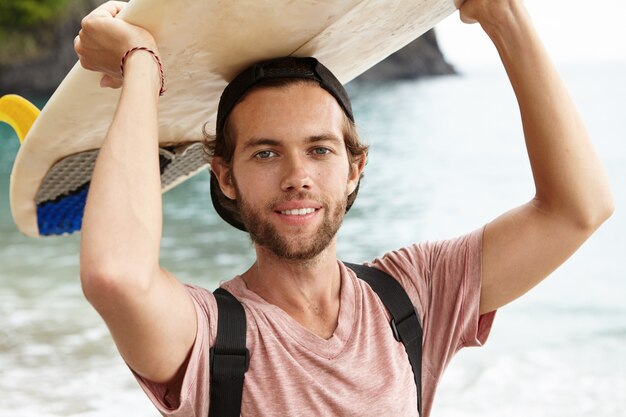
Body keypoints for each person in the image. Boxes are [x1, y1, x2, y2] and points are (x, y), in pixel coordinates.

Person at [74, 0, 613, 416]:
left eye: (320, 149)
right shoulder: (210, 336)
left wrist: (504, 16)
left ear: (354, 167)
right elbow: (117, 275)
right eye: (265, 152)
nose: (297, 177)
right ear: (226, 177)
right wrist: (140, 66)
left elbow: (577, 208)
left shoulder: (414, 294)